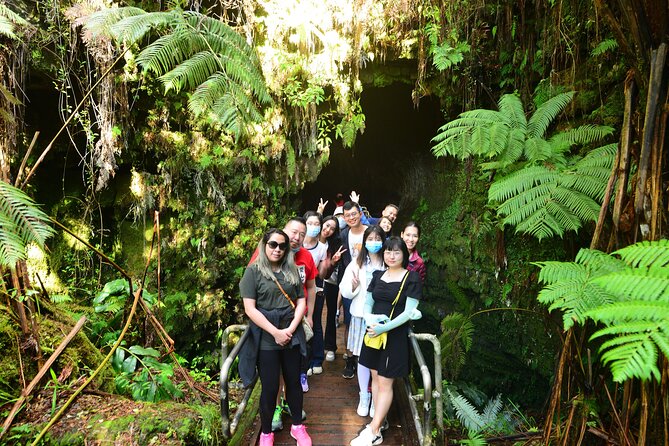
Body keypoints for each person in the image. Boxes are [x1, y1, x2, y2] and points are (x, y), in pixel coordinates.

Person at [239, 229, 313, 446]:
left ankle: (298, 426)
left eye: (282, 246)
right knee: (270, 387)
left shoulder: (291, 270)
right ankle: (266, 432)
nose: (277, 249)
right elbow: (250, 309)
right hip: (267, 337)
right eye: (273, 244)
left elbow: (301, 300)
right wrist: (275, 332)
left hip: (291, 332)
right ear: (264, 245)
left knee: (294, 382)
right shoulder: (252, 272)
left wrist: (290, 328)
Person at [350, 237, 422, 446]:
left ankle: (374, 430)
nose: (391, 256)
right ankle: (380, 422)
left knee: (385, 382)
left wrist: (384, 327)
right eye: (388, 252)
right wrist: (368, 318)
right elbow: (368, 301)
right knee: (375, 378)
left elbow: (409, 312)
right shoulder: (378, 275)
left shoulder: (412, 278)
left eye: (397, 252)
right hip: (373, 334)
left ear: (404, 255)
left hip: (394, 337)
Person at [339, 225, 386, 417]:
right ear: (364, 242)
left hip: (381, 319)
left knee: (378, 359)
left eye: (377, 238)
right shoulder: (356, 264)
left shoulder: (388, 262)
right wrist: (354, 286)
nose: (374, 242)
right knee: (363, 359)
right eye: (370, 238)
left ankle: (375, 398)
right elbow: (345, 291)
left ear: (383, 241)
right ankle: (363, 396)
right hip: (360, 317)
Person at [339, 201, 368, 379]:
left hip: (369, 282)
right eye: (348, 215)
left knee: (369, 321)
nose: (351, 217)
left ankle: (366, 357)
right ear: (344, 217)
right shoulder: (343, 235)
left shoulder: (370, 232)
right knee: (349, 321)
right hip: (351, 281)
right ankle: (350, 358)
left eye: (354, 214)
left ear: (360, 213)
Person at [315, 214, 345, 365]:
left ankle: (330, 347)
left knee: (331, 312)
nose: (328, 230)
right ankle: (316, 350)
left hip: (330, 280)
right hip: (315, 280)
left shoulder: (332, 244)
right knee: (315, 315)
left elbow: (328, 269)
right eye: (326, 226)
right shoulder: (310, 239)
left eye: (332, 228)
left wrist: (333, 262)